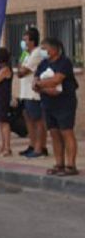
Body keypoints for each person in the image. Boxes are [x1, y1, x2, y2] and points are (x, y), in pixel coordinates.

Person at [34, 37, 78, 176]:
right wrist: (44, 87)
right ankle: (59, 164)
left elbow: (57, 80)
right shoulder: (43, 64)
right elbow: (35, 82)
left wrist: (41, 84)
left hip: (64, 103)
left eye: (45, 48)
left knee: (66, 132)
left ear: (54, 49)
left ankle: (71, 165)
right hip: (48, 103)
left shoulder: (64, 62)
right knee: (54, 133)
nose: (43, 51)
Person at [17, 27, 48, 158]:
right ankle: (32, 144)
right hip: (25, 93)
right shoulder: (27, 54)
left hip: (33, 94)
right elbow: (19, 69)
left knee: (38, 120)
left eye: (25, 40)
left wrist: (21, 69)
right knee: (28, 119)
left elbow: (24, 72)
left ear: (32, 41)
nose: (23, 42)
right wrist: (22, 61)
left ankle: (40, 148)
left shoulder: (37, 53)